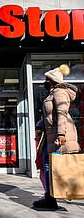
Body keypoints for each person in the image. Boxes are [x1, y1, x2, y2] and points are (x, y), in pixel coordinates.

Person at [33, 64, 81, 209]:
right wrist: (40, 126)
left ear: (53, 80)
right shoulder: (53, 93)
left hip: (58, 135)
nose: (45, 81)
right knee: (46, 164)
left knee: (52, 165)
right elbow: (49, 115)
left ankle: (53, 197)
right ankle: (50, 196)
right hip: (50, 135)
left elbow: (61, 114)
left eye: (47, 79)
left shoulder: (59, 92)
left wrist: (61, 133)